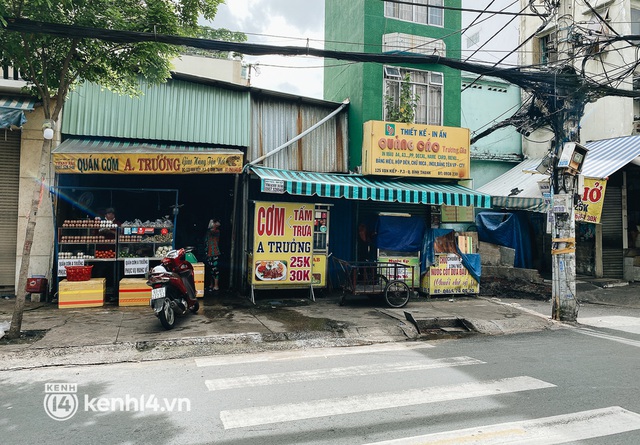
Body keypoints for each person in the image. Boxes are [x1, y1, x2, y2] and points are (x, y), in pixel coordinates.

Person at [204, 217, 222, 291]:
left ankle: (216, 285)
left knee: (215, 270)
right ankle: (211, 285)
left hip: (215, 253)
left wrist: (213, 225)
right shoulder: (209, 232)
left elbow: (212, 231)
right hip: (209, 253)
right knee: (210, 269)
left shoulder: (216, 232)